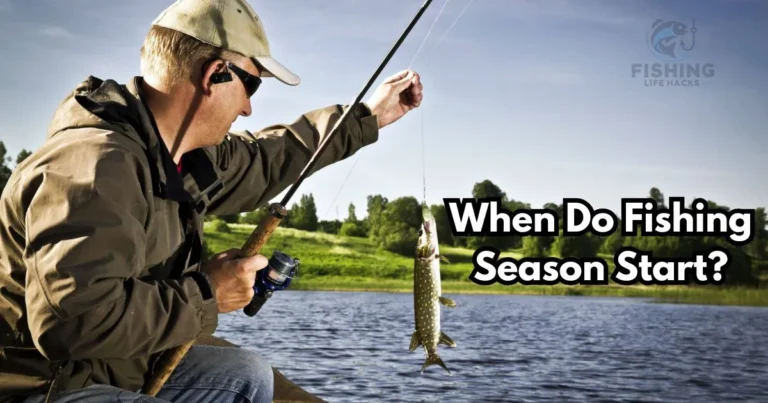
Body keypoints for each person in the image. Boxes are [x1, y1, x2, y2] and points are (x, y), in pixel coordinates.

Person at [0, 0, 423, 402]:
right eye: (250, 84)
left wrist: (370, 116)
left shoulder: (182, 158)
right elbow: (72, 322)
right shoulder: (95, 165)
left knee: (247, 374)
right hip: (51, 388)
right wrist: (207, 292)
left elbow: (271, 155)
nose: (248, 108)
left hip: (120, 368)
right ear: (215, 73)